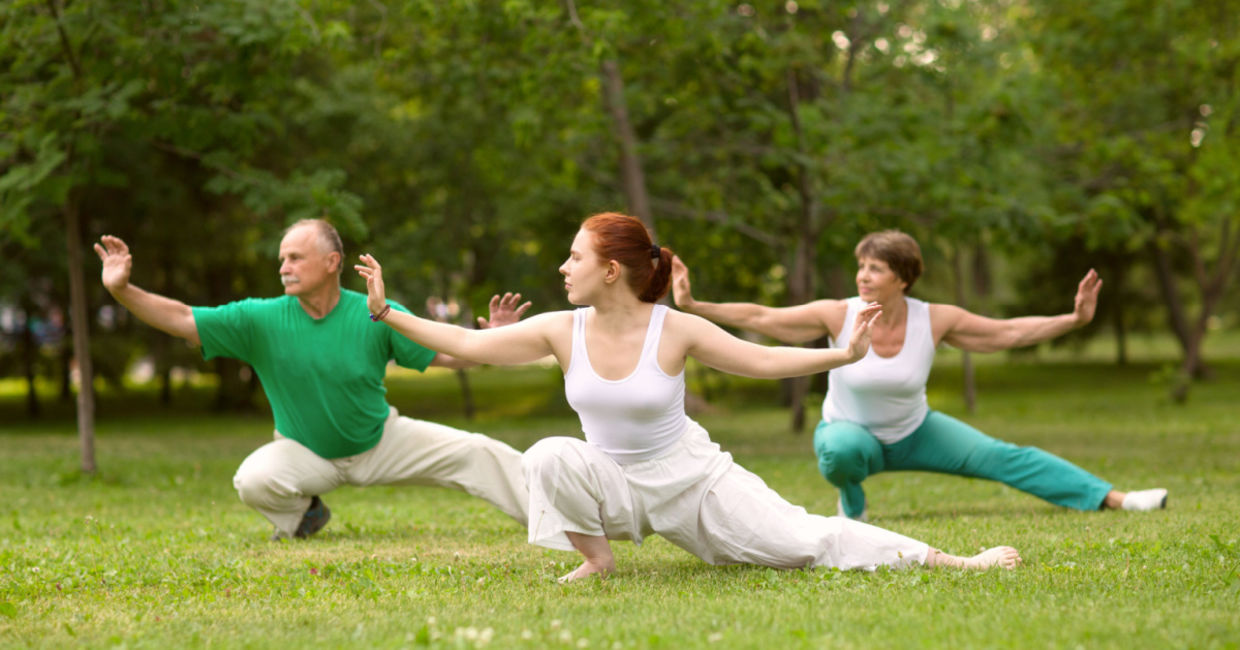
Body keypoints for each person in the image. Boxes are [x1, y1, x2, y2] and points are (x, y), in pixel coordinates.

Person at [355, 213, 1021, 582]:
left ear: (610, 270)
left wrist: (842, 354)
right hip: (615, 484)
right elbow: (466, 346)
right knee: (549, 455)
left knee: (804, 543)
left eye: (573, 258)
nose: (563, 268)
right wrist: (388, 314)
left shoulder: (675, 329)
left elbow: (761, 358)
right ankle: (598, 560)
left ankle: (952, 560)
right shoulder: (560, 330)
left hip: (694, 483)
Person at [671, 229, 1168, 521]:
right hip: (852, 435)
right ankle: (852, 501)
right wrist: (694, 305)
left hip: (916, 431)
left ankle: (1116, 499)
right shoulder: (835, 313)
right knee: (842, 452)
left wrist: (1075, 320)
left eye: (876, 268)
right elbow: (762, 317)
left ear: (903, 278)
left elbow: (1008, 333)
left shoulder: (935, 319)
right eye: (861, 266)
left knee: (1006, 457)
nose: (864, 275)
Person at [94, 219, 531, 540]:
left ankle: (555, 519)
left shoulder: (375, 312)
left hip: (381, 441)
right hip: (305, 453)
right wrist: (122, 291)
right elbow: (183, 318)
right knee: (253, 480)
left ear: (331, 262)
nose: (284, 266)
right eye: (282, 258)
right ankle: (305, 515)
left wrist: (494, 339)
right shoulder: (259, 319)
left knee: (478, 451)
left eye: (295, 257)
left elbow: (447, 354)